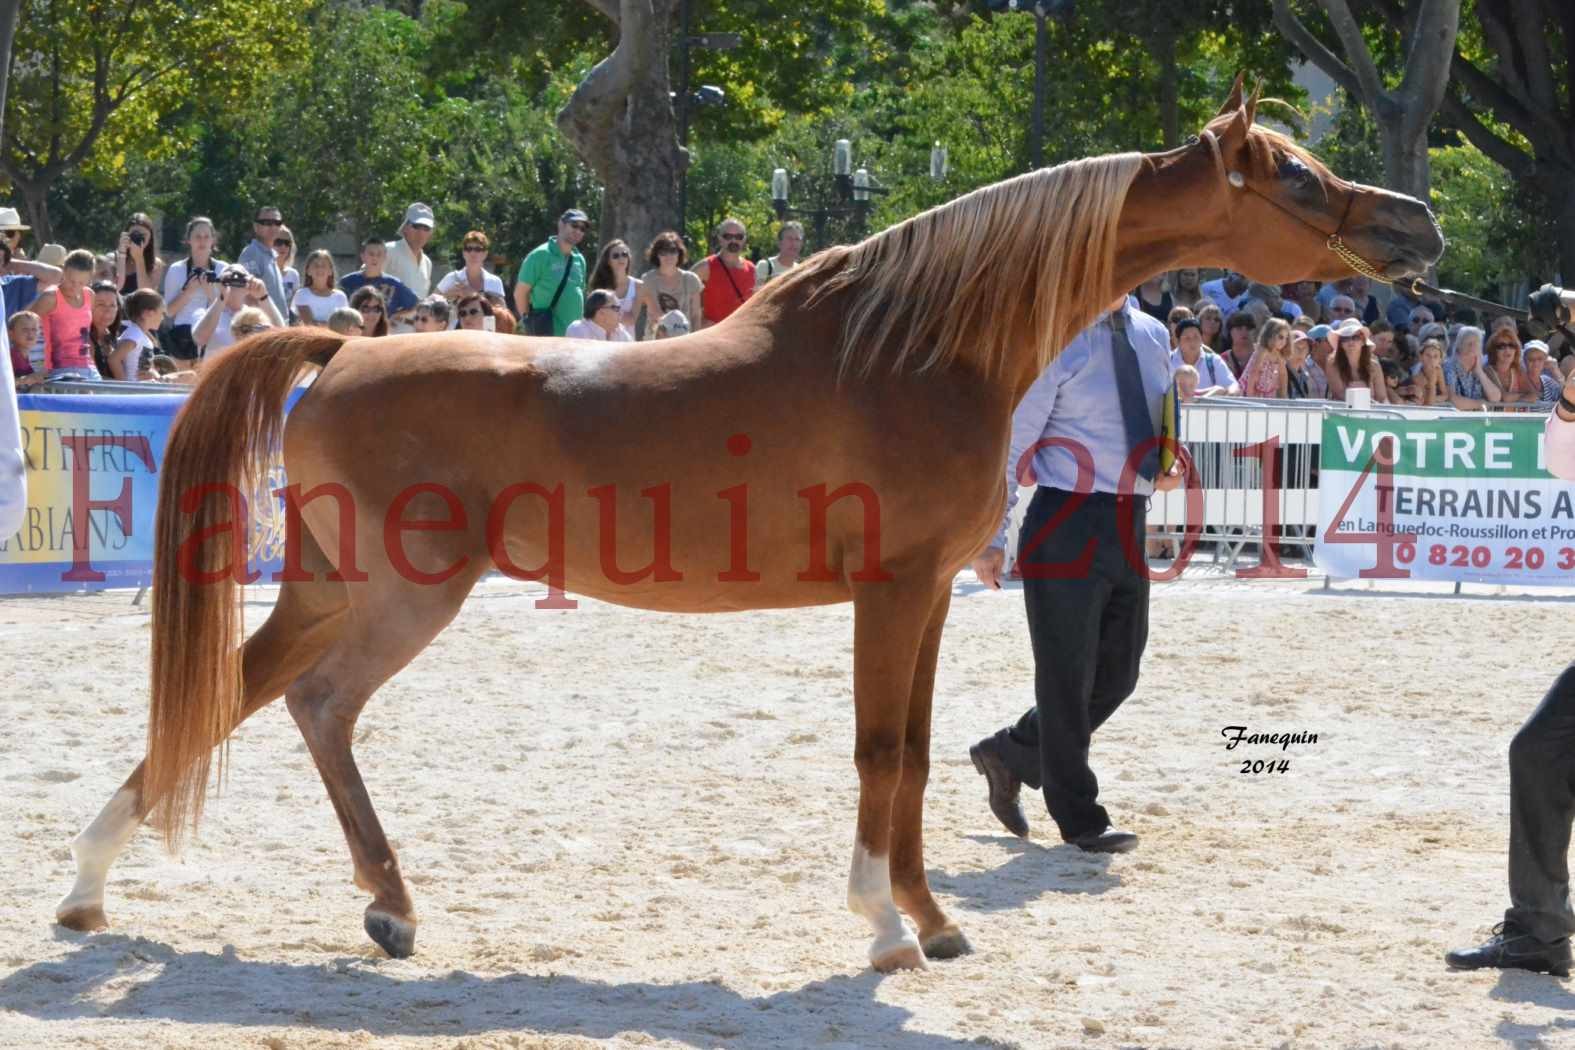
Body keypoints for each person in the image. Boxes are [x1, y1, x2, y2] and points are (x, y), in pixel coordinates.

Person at [968, 295, 1183, 853]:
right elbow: (1016, 441)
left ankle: (1014, 750)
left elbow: (1159, 416)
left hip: (1128, 519)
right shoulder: (1057, 336)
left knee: (1118, 676)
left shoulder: (1153, 333)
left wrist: (1165, 464)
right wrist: (991, 536)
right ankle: (1080, 817)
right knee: (1065, 679)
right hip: (1064, 517)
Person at [161, 216, 228, 362]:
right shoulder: (176, 269)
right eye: (197, 236)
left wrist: (210, 294)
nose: (202, 241)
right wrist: (188, 292)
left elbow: (227, 310)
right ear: (188, 240)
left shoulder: (223, 269)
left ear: (213, 240)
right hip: (182, 337)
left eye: (206, 236)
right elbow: (168, 312)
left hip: (213, 333)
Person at [515, 208, 589, 337]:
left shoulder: (579, 259)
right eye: (574, 225)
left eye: (582, 229)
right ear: (561, 224)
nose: (578, 231)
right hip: (545, 335)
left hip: (575, 336)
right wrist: (528, 323)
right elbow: (520, 293)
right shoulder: (540, 255)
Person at [31, 250, 100, 378]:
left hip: (89, 367)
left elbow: (86, 334)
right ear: (63, 271)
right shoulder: (50, 297)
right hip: (59, 368)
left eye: (81, 283)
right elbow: (22, 324)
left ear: (90, 278)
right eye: (71, 281)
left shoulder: (90, 295)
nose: (75, 287)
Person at [193, 266, 285, 361]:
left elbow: (282, 335)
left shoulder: (254, 317)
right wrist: (221, 297)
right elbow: (199, 338)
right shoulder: (204, 312)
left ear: (248, 286)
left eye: (241, 276)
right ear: (218, 283)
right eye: (228, 276)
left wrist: (263, 297)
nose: (235, 277)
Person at [635, 231, 703, 338]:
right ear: (656, 254)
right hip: (655, 341)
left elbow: (696, 315)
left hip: (685, 339)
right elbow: (654, 314)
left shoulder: (691, 279)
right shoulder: (647, 279)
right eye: (663, 252)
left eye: (672, 251)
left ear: (679, 253)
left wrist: (695, 339)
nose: (669, 256)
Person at [693, 217, 754, 328]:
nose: (734, 241)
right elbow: (682, 293)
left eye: (738, 237)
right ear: (720, 239)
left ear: (744, 240)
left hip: (740, 334)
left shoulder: (751, 269)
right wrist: (699, 321)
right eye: (728, 236)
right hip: (711, 336)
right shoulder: (705, 267)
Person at [340, 238, 419, 324]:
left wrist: (395, 315)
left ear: (385, 257)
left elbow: (416, 304)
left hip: (381, 331)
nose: (375, 258)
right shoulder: (347, 281)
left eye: (379, 254)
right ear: (362, 256)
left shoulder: (394, 284)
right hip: (354, 330)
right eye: (371, 254)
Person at [238, 205, 289, 318]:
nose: (273, 226)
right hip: (263, 326)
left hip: (277, 326)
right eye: (267, 222)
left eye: (277, 222)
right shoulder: (251, 253)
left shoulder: (271, 255)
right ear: (256, 227)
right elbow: (249, 295)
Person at [436, 230, 507, 309]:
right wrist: (446, 297)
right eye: (468, 249)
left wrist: (473, 295)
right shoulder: (451, 278)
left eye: (478, 249)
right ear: (463, 253)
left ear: (485, 254)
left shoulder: (495, 281)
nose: (472, 253)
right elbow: (430, 304)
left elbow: (502, 312)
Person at [1169, 317, 1239, 396]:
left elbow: (1232, 386)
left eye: (1196, 337)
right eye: (1187, 338)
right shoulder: (1168, 360)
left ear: (1201, 339)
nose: (1192, 342)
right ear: (1178, 342)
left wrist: (1230, 393)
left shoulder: (1213, 361)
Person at [1322, 319, 1388, 403]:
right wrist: (1367, 403)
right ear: (1340, 343)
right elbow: (1339, 394)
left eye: (1355, 337)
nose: (1350, 342)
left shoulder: (1374, 366)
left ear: (1363, 341)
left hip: (1371, 414)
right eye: (1345, 338)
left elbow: (1382, 398)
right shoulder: (1332, 364)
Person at [587, 238, 642, 330]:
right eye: (616, 256)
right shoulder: (599, 286)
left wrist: (608, 312)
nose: (621, 258)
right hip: (602, 338)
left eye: (624, 254)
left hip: (627, 341)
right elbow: (593, 317)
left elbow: (631, 319)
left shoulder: (638, 286)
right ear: (608, 261)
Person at [384, 202, 435, 300]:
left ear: (430, 233)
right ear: (405, 227)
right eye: (416, 226)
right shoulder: (388, 250)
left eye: (426, 228)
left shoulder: (427, 263)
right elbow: (364, 282)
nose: (421, 233)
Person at [111, 289, 164, 381]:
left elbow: (147, 367)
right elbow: (113, 359)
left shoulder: (140, 334)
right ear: (148, 314)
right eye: (162, 313)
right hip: (133, 390)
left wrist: (153, 373)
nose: (163, 318)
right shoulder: (134, 334)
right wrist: (124, 387)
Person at [1444, 325, 1502, 410]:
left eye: (1476, 343)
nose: (1472, 347)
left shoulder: (1481, 368)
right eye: (1468, 343)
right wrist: (1479, 404)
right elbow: (1452, 399)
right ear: (1459, 346)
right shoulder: (1449, 366)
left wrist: (1479, 372)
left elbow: (1495, 398)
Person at [292, 250, 348, 326]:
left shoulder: (340, 297)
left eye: (323, 265)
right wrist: (332, 326)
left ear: (330, 271)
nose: (320, 269)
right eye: (316, 265)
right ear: (308, 271)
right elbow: (309, 324)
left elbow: (344, 324)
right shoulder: (302, 294)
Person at [1238, 317, 1290, 398]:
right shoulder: (1263, 351)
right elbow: (1254, 373)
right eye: (1280, 337)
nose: (1284, 341)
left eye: (1286, 338)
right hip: (1250, 388)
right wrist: (1249, 397)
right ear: (1270, 335)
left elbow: (1283, 376)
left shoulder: (1279, 355)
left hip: (1267, 392)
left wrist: (1284, 396)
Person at [115, 212, 165, 295]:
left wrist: (139, 259)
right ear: (127, 234)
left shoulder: (155, 264)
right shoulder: (113, 258)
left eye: (143, 235)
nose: (138, 238)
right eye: (135, 234)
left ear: (150, 239)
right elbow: (114, 287)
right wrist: (122, 254)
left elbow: (146, 294)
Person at [1486, 329, 1538, 404]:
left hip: (1515, 415)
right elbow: (1505, 397)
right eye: (1501, 346)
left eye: (1511, 345)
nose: (1507, 350)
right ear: (1493, 350)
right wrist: (1524, 396)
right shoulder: (1487, 370)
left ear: (1516, 349)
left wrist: (1515, 401)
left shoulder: (1518, 370)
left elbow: (1533, 396)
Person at [565, 289, 633, 342]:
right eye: (616, 308)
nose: (621, 313)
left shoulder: (619, 331)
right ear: (601, 313)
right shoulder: (577, 329)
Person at [755, 222, 805, 290]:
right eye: (789, 239)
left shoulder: (802, 271)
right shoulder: (765, 266)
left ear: (801, 244)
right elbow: (757, 296)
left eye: (797, 239)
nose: (794, 243)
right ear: (779, 243)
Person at [1285, 328, 1326, 399]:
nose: (1301, 351)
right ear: (1286, 349)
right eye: (1297, 347)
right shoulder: (1280, 372)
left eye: (1304, 348)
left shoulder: (1305, 376)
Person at [7, 311, 43, 389]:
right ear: (11, 334)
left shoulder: (29, 358)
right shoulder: (9, 357)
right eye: (25, 329)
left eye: (34, 329)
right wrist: (22, 380)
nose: (30, 333)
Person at [1411, 337, 1449, 406]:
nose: (1431, 359)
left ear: (1440, 360)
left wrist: (1436, 398)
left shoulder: (1438, 370)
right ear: (1421, 357)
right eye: (1428, 355)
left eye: (1435, 356)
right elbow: (1425, 401)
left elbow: (1445, 394)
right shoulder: (1418, 373)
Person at [1219, 310, 1256, 380]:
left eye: (1248, 328)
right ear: (1230, 332)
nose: (1244, 332)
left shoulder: (1264, 355)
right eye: (1239, 328)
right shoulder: (1222, 360)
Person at [274, 226, 300, 307]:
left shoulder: (293, 274)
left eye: (287, 243)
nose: (283, 246)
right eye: (278, 242)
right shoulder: (263, 271)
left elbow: (294, 305)